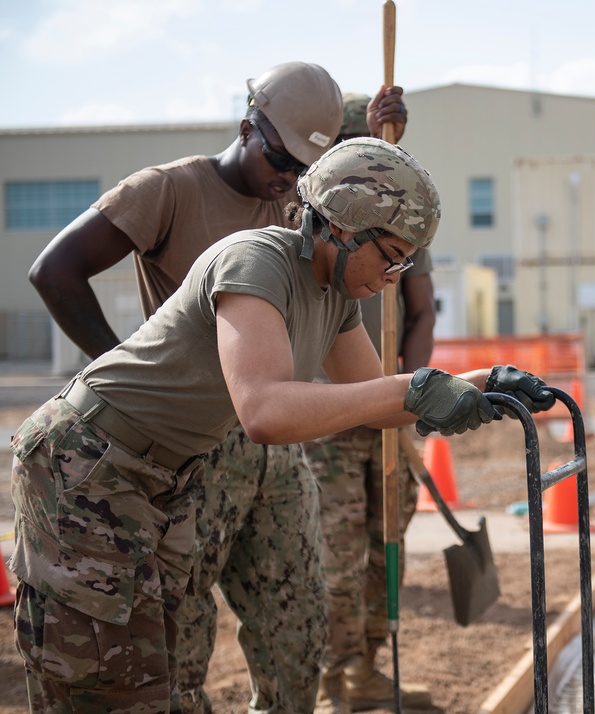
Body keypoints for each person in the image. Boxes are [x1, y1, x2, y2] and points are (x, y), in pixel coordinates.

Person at [9, 136, 556, 712]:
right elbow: (264, 412)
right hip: (86, 467)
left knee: (152, 675)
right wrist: (411, 389)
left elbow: (375, 402)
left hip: (160, 477)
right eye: (392, 254)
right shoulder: (255, 261)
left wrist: (478, 384)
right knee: (105, 682)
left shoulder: (334, 292)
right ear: (343, 227)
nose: (396, 275)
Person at [25, 62, 407, 713]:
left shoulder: (305, 216)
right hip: (169, 443)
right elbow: (54, 270)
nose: (287, 180)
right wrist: (126, 371)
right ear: (246, 128)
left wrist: (379, 139)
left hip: (260, 437)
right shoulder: (170, 191)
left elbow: (362, 208)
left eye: (301, 172)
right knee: (157, 651)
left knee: (295, 621)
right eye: (280, 159)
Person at [304, 94, 436, 712]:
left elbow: (422, 307)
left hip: (387, 404)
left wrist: (407, 392)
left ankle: (370, 668)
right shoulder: (312, 216)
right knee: (337, 546)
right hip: (326, 414)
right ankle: (339, 673)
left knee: (388, 539)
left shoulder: (400, 217)